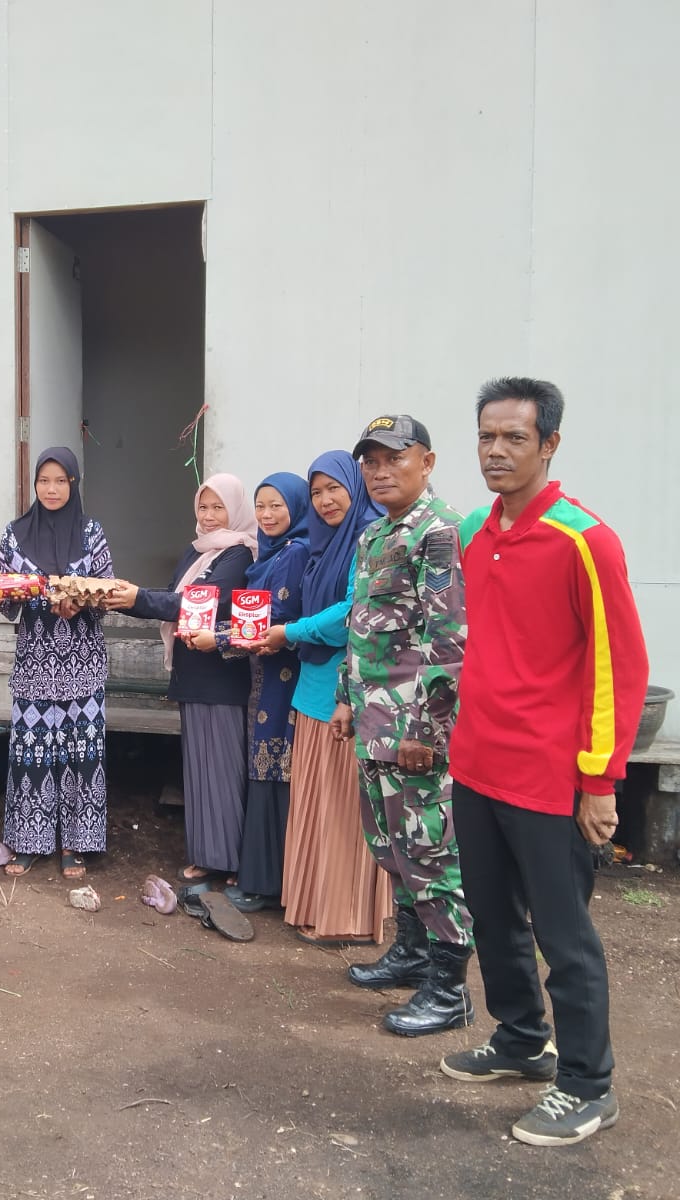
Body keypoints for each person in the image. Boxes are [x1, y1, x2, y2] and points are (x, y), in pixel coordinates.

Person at [439, 377, 648, 1147]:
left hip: (549, 777)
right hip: (478, 764)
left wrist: (600, 779)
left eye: (514, 438)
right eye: (486, 437)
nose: (495, 451)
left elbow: (619, 666)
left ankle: (588, 1084)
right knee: (492, 917)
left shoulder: (584, 541)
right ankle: (522, 1038)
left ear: (550, 444)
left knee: (564, 936)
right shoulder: (473, 530)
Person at [331, 415, 473, 1037]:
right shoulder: (375, 535)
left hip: (415, 733)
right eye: (371, 461)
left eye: (394, 458)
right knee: (391, 847)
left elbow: (449, 642)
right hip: (374, 723)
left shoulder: (440, 533)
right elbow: (361, 626)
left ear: (428, 462)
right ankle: (413, 953)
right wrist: (345, 698)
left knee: (430, 852)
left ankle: (449, 990)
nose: (380, 471)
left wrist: (430, 732)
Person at [257, 451, 390, 945]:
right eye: (316, 492)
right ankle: (314, 904)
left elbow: (353, 614)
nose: (325, 500)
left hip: (347, 694)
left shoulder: (368, 537)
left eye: (334, 488)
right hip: (312, 688)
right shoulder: (323, 544)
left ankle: (346, 917)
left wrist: (290, 631)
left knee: (342, 812)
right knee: (316, 805)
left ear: (355, 488)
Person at [107, 474, 257, 882]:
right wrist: (130, 598)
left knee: (222, 770)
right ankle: (207, 856)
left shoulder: (239, 554)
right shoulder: (197, 551)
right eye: (203, 507)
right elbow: (174, 595)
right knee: (199, 772)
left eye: (218, 507)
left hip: (221, 678)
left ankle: (229, 862)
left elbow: (201, 604)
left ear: (235, 510)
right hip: (194, 675)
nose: (209, 516)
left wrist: (138, 598)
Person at [0, 447, 113, 879]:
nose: (51, 489)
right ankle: (29, 842)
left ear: (73, 484)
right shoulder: (14, 534)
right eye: (44, 480)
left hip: (83, 666)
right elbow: (3, 599)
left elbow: (108, 595)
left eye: (61, 481)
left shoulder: (91, 533)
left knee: (81, 754)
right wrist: (15, 593)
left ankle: (74, 845)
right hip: (34, 665)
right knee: (31, 752)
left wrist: (82, 602)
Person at [212, 472, 310, 913]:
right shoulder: (270, 554)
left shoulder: (295, 553)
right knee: (265, 771)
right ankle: (264, 879)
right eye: (261, 506)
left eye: (277, 506)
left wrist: (218, 638)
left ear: (296, 508)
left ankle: (272, 884)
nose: (267, 515)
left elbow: (277, 621)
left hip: (282, 681)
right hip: (265, 678)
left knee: (275, 771)